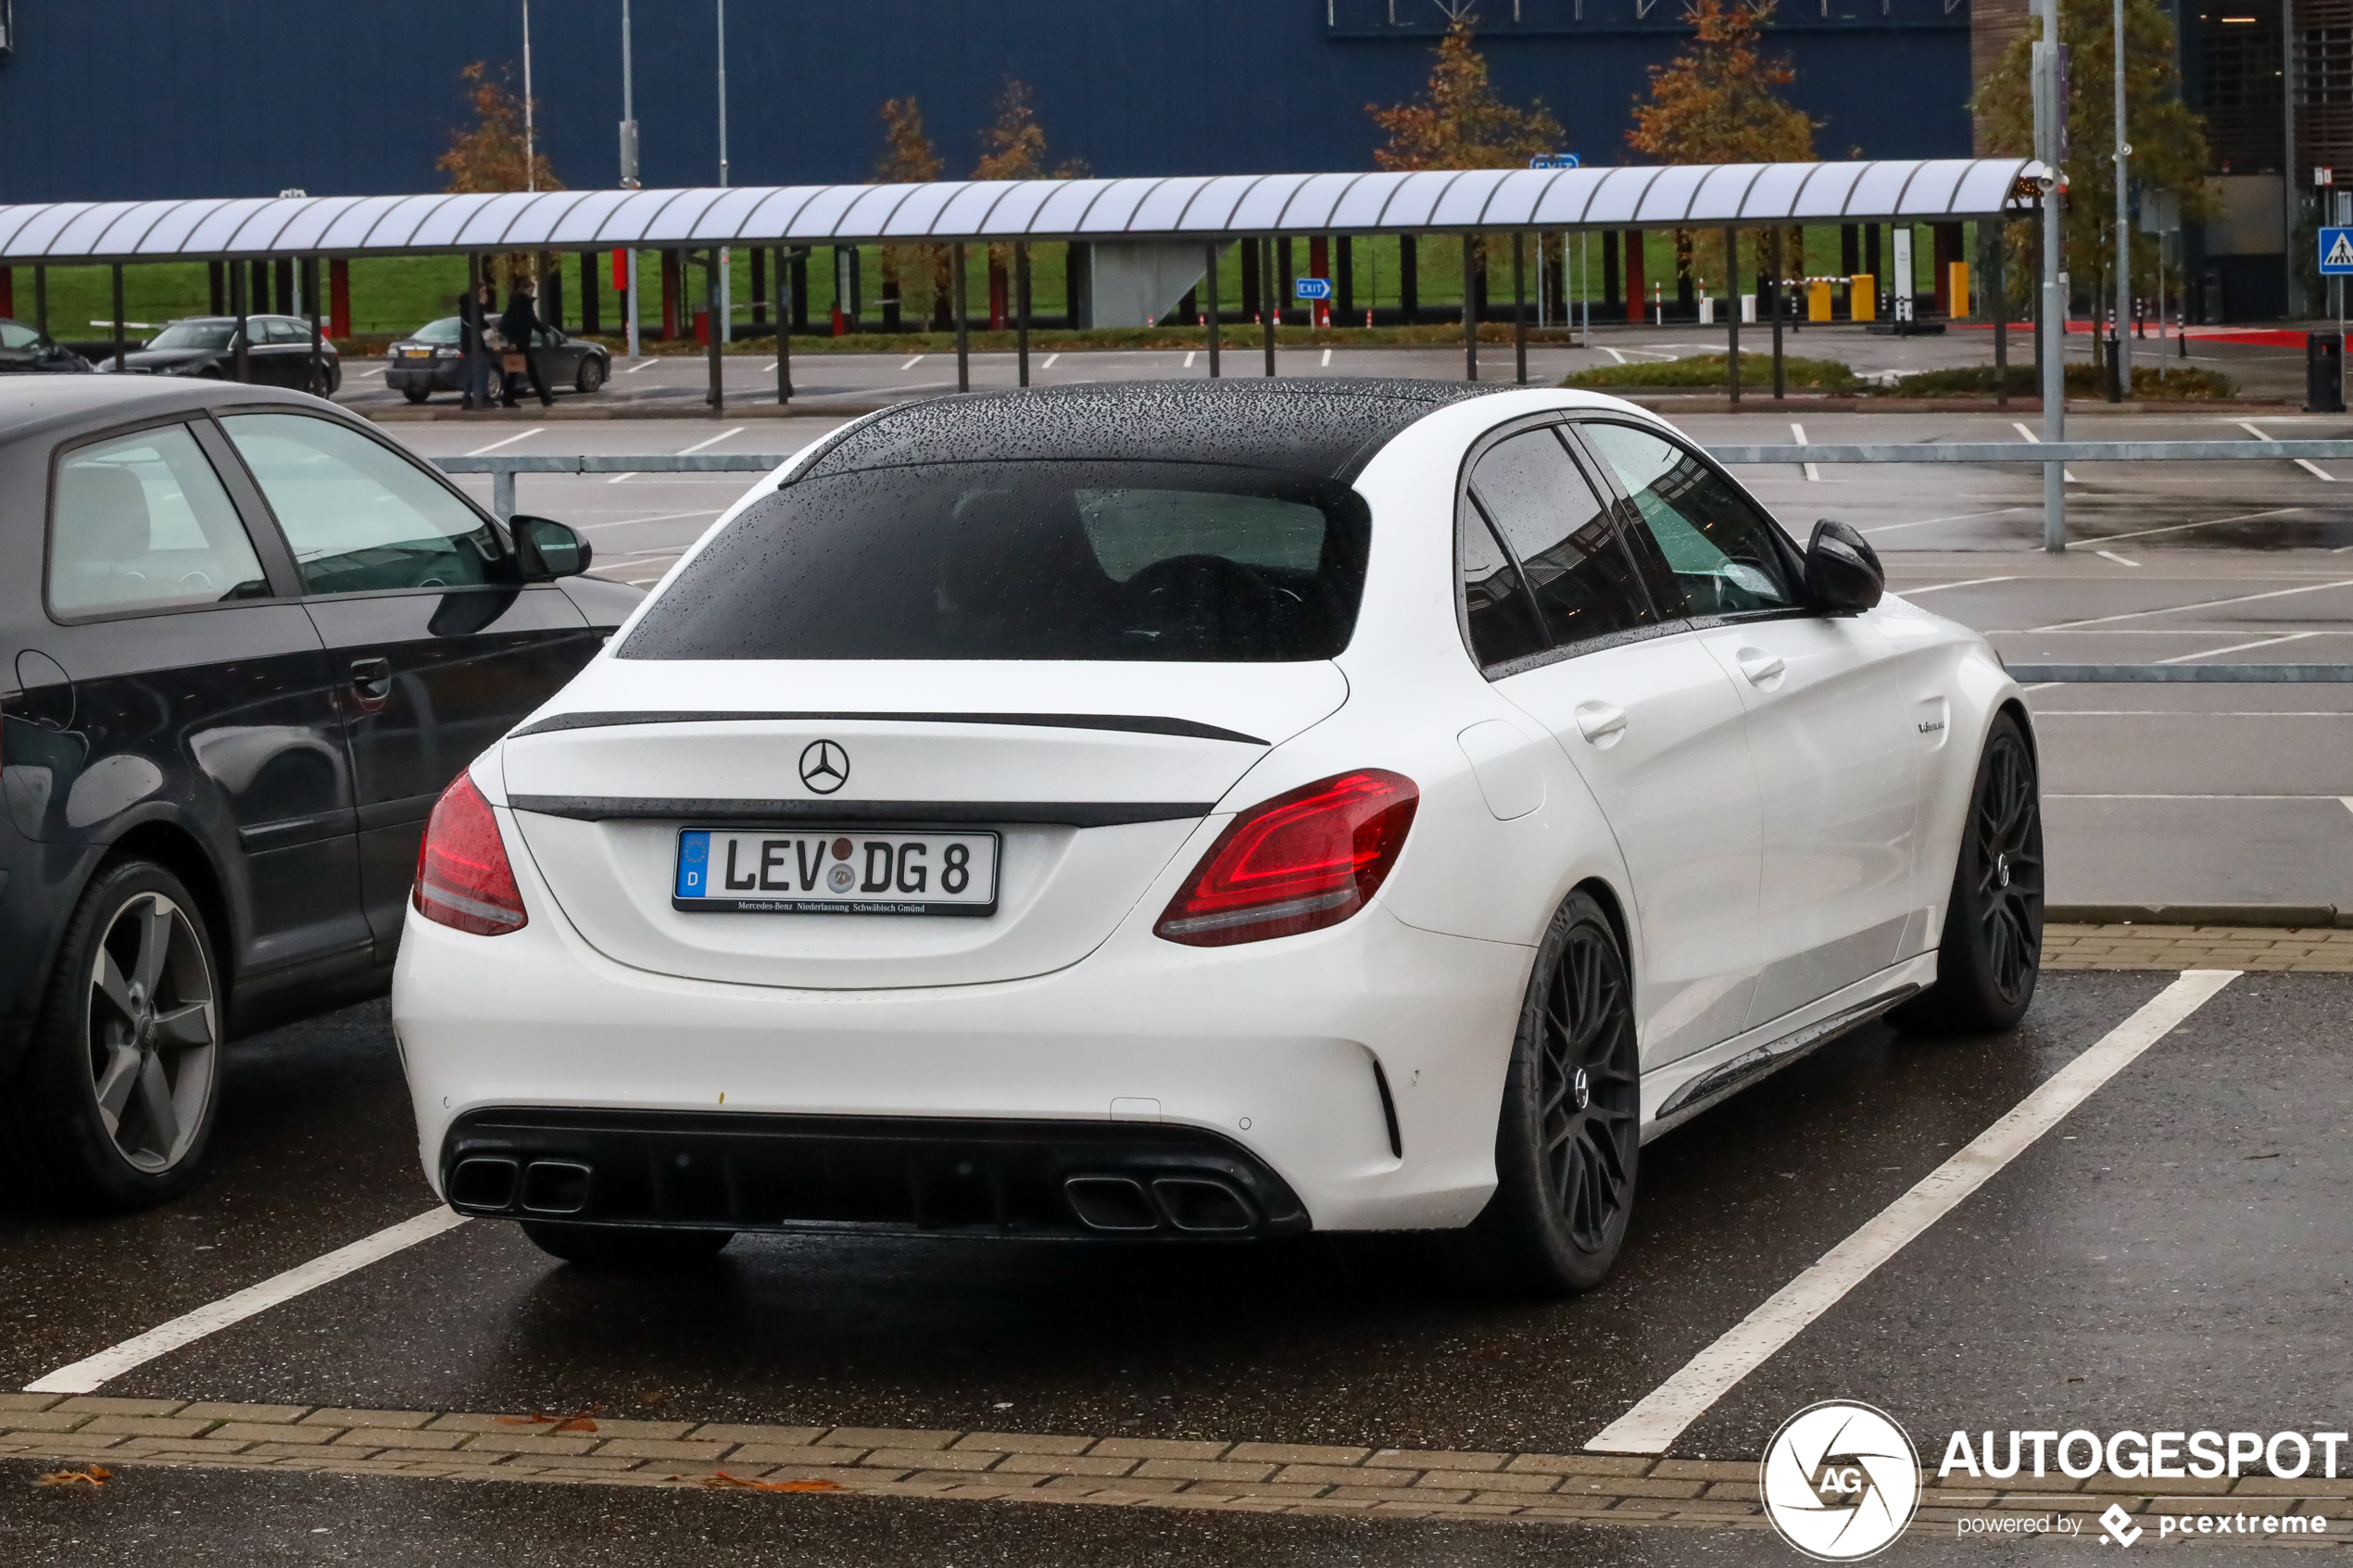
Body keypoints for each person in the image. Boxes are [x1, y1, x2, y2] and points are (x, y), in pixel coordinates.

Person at [498, 276, 555, 408]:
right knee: (530, 371)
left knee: (515, 372)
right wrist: (512, 340)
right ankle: (544, 398)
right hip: (519, 343)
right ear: (523, 289)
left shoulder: (523, 304)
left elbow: (532, 321)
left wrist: (544, 330)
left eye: (532, 290)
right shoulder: (518, 304)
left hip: (521, 342)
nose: (531, 293)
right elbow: (509, 323)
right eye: (529, 290)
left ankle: (507, 399)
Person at [459, 278, 494, 408]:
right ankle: (480, 396)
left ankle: (469, 397)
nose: (484, 293)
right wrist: (481, 305)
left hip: (474, 341)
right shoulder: (468, 303)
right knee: (482, 368)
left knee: (473, 370)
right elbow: (475, 320)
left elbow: (480, 321)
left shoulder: (470, 303)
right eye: (483, 290)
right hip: (471, 342)